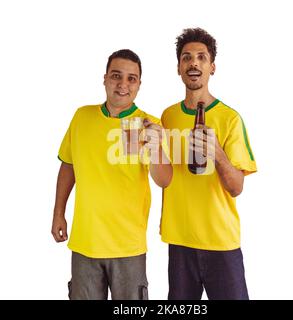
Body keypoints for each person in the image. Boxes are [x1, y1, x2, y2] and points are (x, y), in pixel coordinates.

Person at [52, 49, 172, 300]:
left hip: (128, 246)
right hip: (85, 243)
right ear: (105, 78)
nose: (123, 84)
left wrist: (155, 147)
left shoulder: (149, 124)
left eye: (131, 78)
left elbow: (164, 180)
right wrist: (58, 214)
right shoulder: (81, 117)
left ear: (139, 84)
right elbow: (68, 166)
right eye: (116, 76)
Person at [160, 28, 257, 300]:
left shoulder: (230, 119)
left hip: (221, 242)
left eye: (202, 57)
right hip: (179, 241)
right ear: (179, 68)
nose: (194, 63)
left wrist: (218, 154)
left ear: (212, 67)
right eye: (187, 58)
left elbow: (236, 187)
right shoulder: (166, 117)